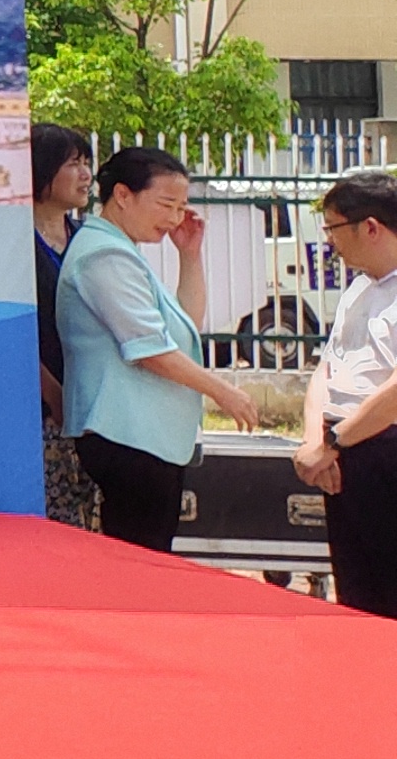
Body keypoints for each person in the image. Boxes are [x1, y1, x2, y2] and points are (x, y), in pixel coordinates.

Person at [50, 145, 260, 551]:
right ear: (122, 195)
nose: (175, 218)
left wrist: (190, 256)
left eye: (181, 207)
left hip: (147, 435)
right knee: (141, 554)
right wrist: (222, 390)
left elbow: (183, 329)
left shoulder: (122, 250)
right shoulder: (104, 255)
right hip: (127, 433)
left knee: (150, 549)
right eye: (166, 204)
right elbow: (148, 349)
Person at [289, 170, 397, 617]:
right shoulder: (360, 288)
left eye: (333, 228)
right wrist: (314, 440)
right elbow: (327, 369)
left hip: (383, 448)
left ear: (370, 227)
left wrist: (334, 442)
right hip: (344, 453)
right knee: (356, 594)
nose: (329, 242)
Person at [31, 125, 101, 531]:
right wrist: (54, 394)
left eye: (87, 163)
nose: (85, 174)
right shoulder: (11, 244)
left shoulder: (87, 239)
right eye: (73, 163)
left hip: (90, 408)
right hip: (42, 411)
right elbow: (14, 334)